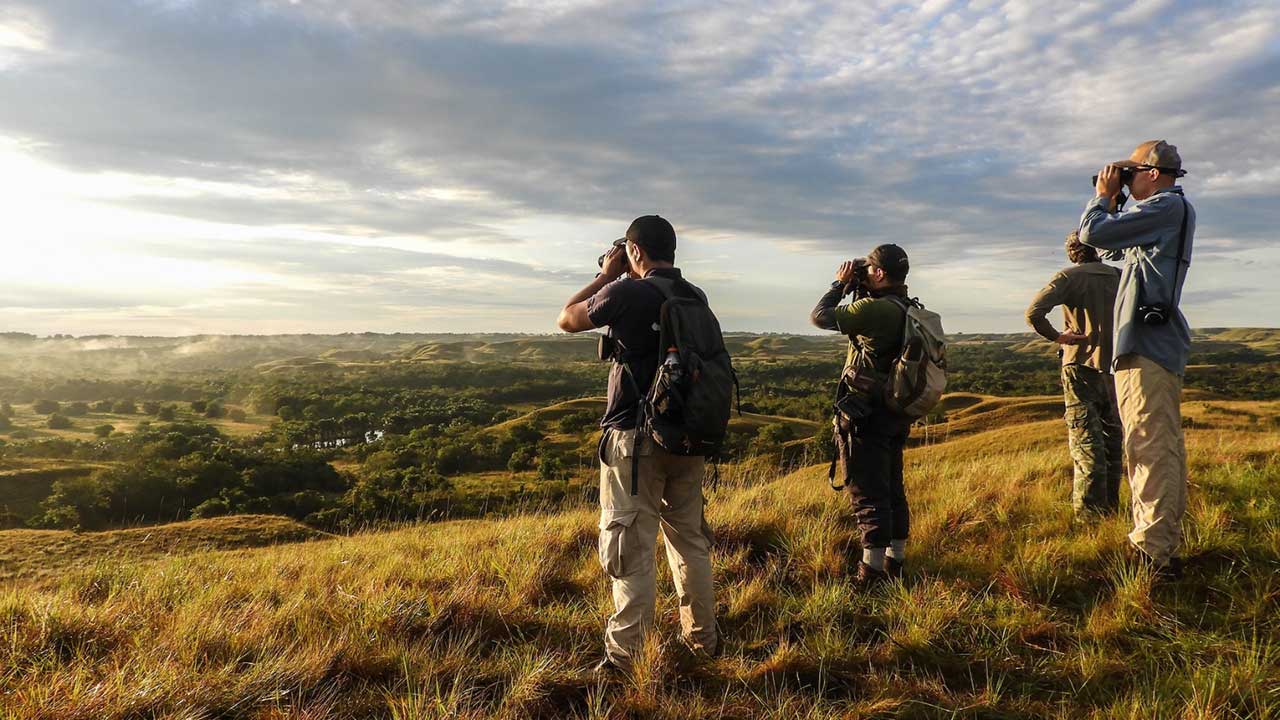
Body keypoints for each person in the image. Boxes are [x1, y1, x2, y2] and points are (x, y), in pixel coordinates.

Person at [556, 215, 718, 672]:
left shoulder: (626, 291)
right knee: (689, 541)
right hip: (686, 436)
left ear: (635, 250)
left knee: (630, 545)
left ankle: (626, 658)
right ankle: (702, 641)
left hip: (636, 438)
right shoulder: (693, 296)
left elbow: (567, 318)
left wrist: (607, 275)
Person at [1078, 140, 1195, 578]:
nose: (1124, 181)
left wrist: (1104, 198)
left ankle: (1154, 554)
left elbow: (1093, 234)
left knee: (1149, 445)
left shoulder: (1167, 206)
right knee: (1154, 443)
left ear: (1151, 172)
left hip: (1148, 343)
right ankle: (1157, 543)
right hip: (1145, 343)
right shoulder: (1160, 216)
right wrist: (1119, 200)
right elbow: (1108, 251)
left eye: (1130, 175)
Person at [809, 244, 914, 588]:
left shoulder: (876, 309)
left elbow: (821, 316)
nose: (864, 273)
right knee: (892, 488)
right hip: (894, 409)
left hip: (866, 413)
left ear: (880, 273)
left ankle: (870, 573)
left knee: (867, 492)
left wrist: (840, 285)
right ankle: (895, 561)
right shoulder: (904, 306)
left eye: (869, 269)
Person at [1025, 231, 1123, 520]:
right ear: (1098, 250)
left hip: (1080, 367)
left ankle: (1089, 518)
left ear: (1072, 253)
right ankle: (1112, 512)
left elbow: (1034, 313)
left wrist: (1059, 337)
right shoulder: (1118, 276)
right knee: (1112, 443)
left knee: (1086, 444)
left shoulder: (1068, 278)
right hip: (1116, 368)